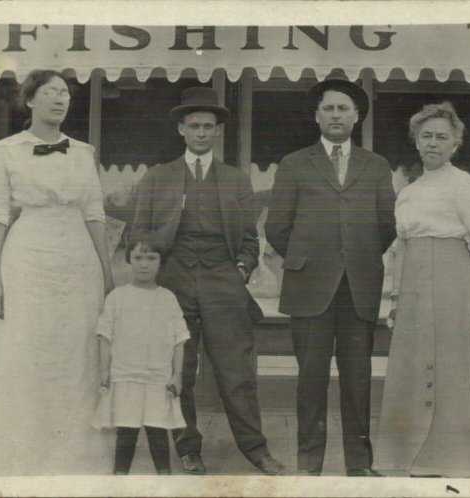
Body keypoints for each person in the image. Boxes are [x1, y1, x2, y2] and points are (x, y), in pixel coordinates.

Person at [130, 87, 285, 476]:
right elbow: (138, 237)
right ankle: (188, 449)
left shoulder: (236, 180)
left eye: (209, 127)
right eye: (194, 126)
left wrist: (240, 271)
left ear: (218, 132)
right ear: (182, 129)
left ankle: (256, 450)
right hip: (174, 281)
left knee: (237, 372)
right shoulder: (157, 178)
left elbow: (250, 241)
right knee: (179, 371)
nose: (202, 133)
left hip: (223, 281)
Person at [0, 70, 115, 475]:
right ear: (31, 100)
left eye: (65, 93)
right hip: (27, 260)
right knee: (26, 353)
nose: (60, 99)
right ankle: (21, 459)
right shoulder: (4, 152)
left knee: (77, 356)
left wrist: (107, 276)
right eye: (50, 92)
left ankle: (75, 460)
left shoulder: (83, 153)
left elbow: (95, 215)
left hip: (78, 261)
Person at [265, 79, 396, 476]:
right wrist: (310, 261)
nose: (336, 115)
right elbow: (277, 228)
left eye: (343, 109)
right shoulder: (294, 163)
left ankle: (359, 466)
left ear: (356, 117)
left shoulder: (375, 165)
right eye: (329, 109)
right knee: (311, 381)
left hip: (359, 288)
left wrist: (355, 258)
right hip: (309, 289)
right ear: (316, 116)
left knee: (358, 382)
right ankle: (310, 467)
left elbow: (386, 227)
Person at [377, 102, 470, 477]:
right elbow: (400, 247)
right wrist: (397, 297)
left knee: (452, 368)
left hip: (453, 281)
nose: (433, 143)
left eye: (442, 137)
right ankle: (412, 458)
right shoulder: (409, 191)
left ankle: (453, 459)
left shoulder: (464, 184)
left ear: (455, 144)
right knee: (413, 366)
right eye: (426, 136)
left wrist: (468, 282)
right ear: (416, 142)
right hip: (413, 283)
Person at [91, 229, 189, 475]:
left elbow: (179, 340)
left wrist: (177, 375)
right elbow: (104, 336)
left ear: (161, 262)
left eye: (151, 258)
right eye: (138, 258)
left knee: (157, 430)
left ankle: (164, 481)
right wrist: (105, 372)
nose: (144, 265)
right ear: (129, 260)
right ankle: (120, 479)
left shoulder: (168, 299)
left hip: (158, 378)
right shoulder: (117, 298)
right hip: (125, 377)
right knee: (126, 431)